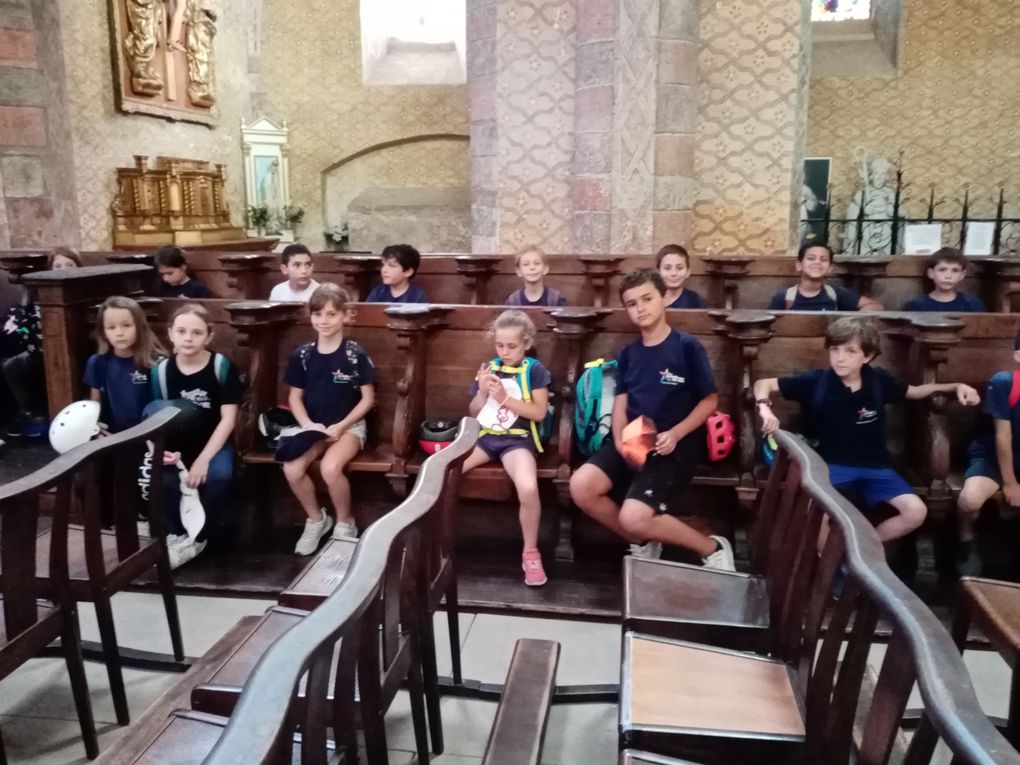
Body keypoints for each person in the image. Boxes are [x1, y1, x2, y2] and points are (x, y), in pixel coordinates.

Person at [753, 316, 979, 548]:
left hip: (875, 466)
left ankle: (861, 549)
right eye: (835, 349)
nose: (840, 358)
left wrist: (956, 387)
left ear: (867, 356)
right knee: (817, 511)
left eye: (850, 351)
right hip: (829, 465)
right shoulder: (815, 382)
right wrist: (765, 408)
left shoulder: (879, 381)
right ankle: (825, 565)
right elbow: (764, 384)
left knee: (915, 511)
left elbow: (916, 391)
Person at [569, 268, 735, 570]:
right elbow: (622, 401)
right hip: (634, 438)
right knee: (581, 486)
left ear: (665, 298)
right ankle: (643, 541)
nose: (640, 308)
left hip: (673, 445)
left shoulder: (686, 346)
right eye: (632, 303)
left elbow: (710, 400)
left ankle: (710, 547)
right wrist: (619, 440)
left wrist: (676, 434)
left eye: (647, 299)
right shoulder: (630, 353)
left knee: (632, 516)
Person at [281, 284, 376, 556]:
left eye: (331, 314)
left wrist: (342, 426)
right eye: (318, 314)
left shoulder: (353, 354)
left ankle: (345, 522)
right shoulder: (303, 355)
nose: (324, 320)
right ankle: (317, 519)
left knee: (331, 468)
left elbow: (367, 399)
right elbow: (295, 398)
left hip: (349, 427)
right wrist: (309, 425)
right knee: (292, 469)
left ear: (345, 316)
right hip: (314, 427)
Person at [464, 310, 552, 586]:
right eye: (500, 345)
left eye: (511, 346)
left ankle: (530, 553)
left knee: (527, 487)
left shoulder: (535, 370)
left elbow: (538, 413)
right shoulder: (490, 367)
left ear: (526, 343)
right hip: (487, 437)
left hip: (517, 440)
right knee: (443, 473)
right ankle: (435, 541)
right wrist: (480, 391)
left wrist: (503, 398)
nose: (505, 351)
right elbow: (474, 412)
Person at [152, 303, 243, 565]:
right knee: (165, 481)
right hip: (174, 445)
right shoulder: (160, 372)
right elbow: (152, 417)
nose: (188, 338)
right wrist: (157, 452)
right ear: (170, 334)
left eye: (196, 332)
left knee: (218, 478)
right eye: (181, 331)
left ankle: (201, 536)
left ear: (209, 336)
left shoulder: (221, 367)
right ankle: (175, 533)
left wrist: (203, 459)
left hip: (213, 441)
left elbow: (228, 419)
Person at [956, 330, 1020, 575]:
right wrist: (1011, 483)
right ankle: (964, 538)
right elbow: (1002, 437)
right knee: (969, 500)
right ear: (1017, 356)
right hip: (992, 454)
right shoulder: (1004, 382)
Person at [0, 248, 82, 439]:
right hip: (40, 349)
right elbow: (26, 323)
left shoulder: (85, 288)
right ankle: (29, 411)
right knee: (13, 365)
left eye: (70, 265)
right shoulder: (38, 293)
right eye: (58, 266)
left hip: (72, 349)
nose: (63, 270)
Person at [85, 296, 167, 434]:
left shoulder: (157, 362)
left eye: (126, 325)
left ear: (139, 327)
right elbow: (94, 406)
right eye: (111, 327)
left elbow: (165, 407)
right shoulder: (97, 362)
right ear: (103, 332)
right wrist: (96, 429)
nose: (119, 333)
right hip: (113, 437)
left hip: (151, 435)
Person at [768, 242, 882, 312]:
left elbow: (876, 306)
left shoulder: (837, 294)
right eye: (811, 258)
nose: (817, 262)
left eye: (824, 259)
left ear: (830, 268)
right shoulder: (784, 297)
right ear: (799, 265)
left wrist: (855, 320)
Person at [903, 248, 985, 312]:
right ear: (931, 273)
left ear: (962, 275)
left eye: (955, 270)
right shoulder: (917, 305)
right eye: (942, 270)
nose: (948, 276)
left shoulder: (972, 305)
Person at [655, 244, 707, 309]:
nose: (673, 273)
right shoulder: (651, 299)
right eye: (667, 268)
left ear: (688, 271)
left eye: (679, 268)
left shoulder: (697, 301)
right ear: (658, 271)